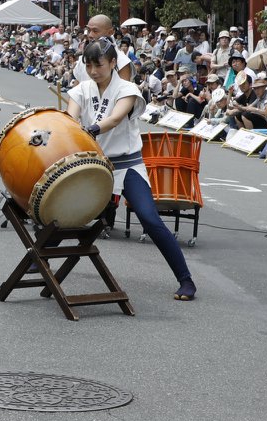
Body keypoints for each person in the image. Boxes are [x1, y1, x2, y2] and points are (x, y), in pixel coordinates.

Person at [67, 37, 197, 300]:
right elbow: (71, 117)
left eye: (99, 65)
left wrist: (91, 128)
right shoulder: (82, 89)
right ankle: (39, 261)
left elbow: (115, 118)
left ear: (113, 62)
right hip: (95, 165)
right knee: (66, 211)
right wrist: (68, 129)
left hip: (127, 165)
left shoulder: (127, 89)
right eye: (89, 65)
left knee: (149, 218)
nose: (93, 71)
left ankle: (186, 280)